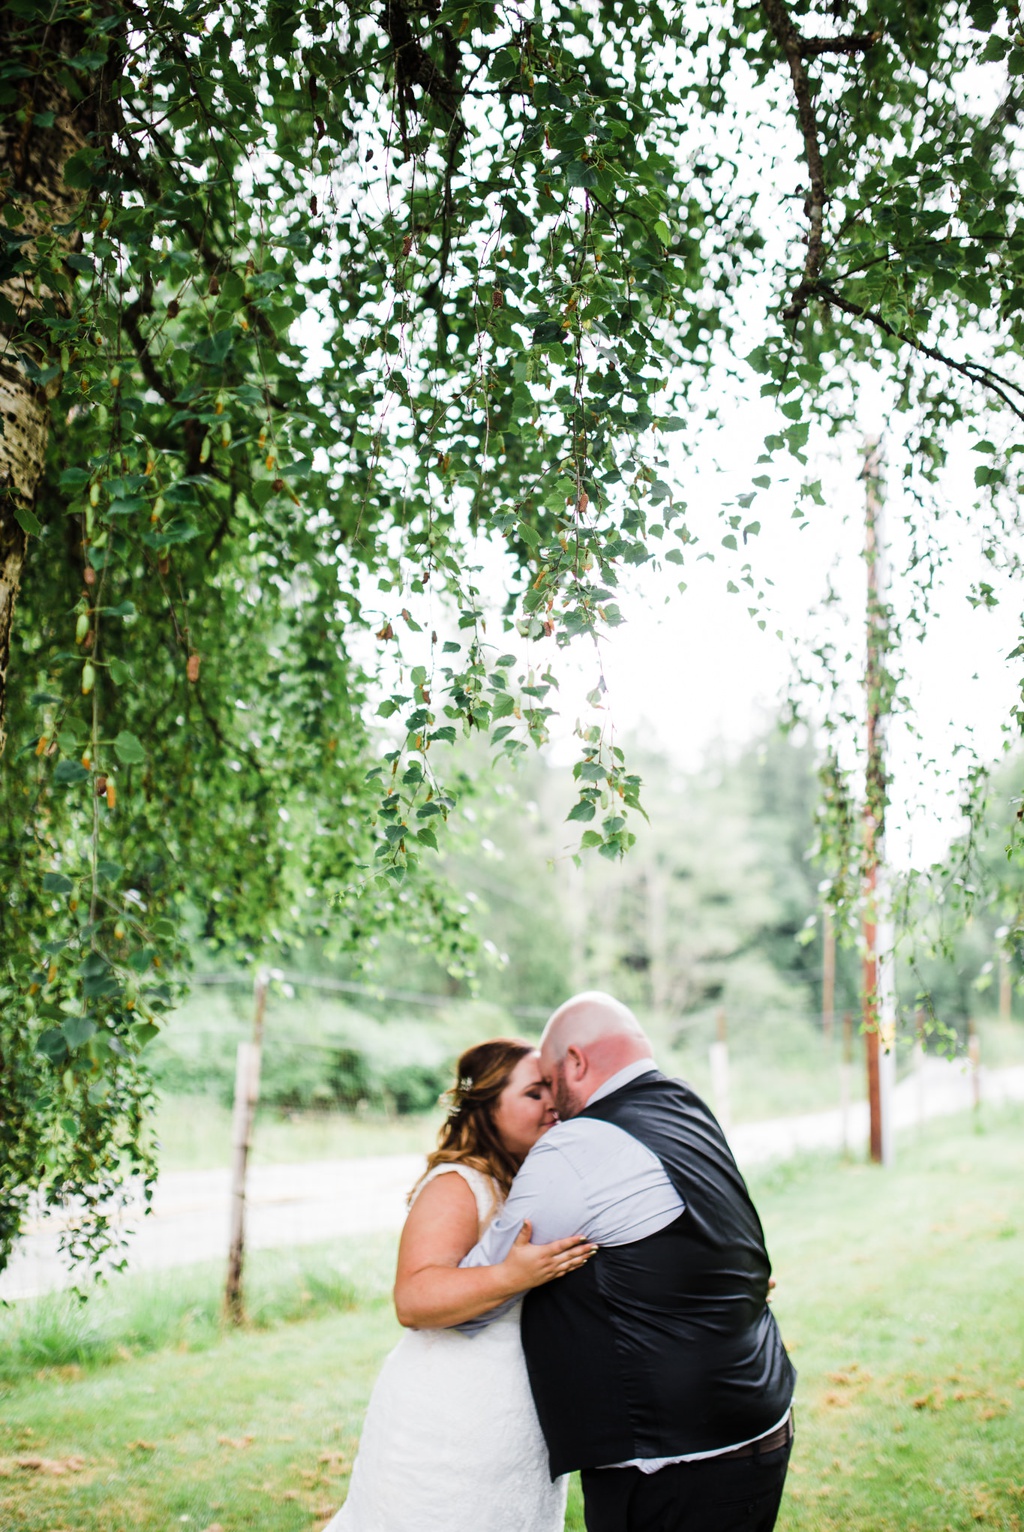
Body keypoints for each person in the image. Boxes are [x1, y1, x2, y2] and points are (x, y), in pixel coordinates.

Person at [460, 991, 797, 1532]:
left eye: (548, 1081)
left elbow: (475, 1297)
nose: (550, 1102)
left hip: (676, 1462)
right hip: (760, 1419)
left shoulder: (577, 1146)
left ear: (575, 1061)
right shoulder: (686, 1105)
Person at [324, 1037, 594, 1532]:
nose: (554, 1103)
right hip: (451, 1422)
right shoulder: (457, 1184)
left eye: (553, 1090)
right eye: (535, 1093)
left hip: (518, 1422)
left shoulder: (526, 1181)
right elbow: (414, 1299)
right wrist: (512, 1275)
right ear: (486, 1107)